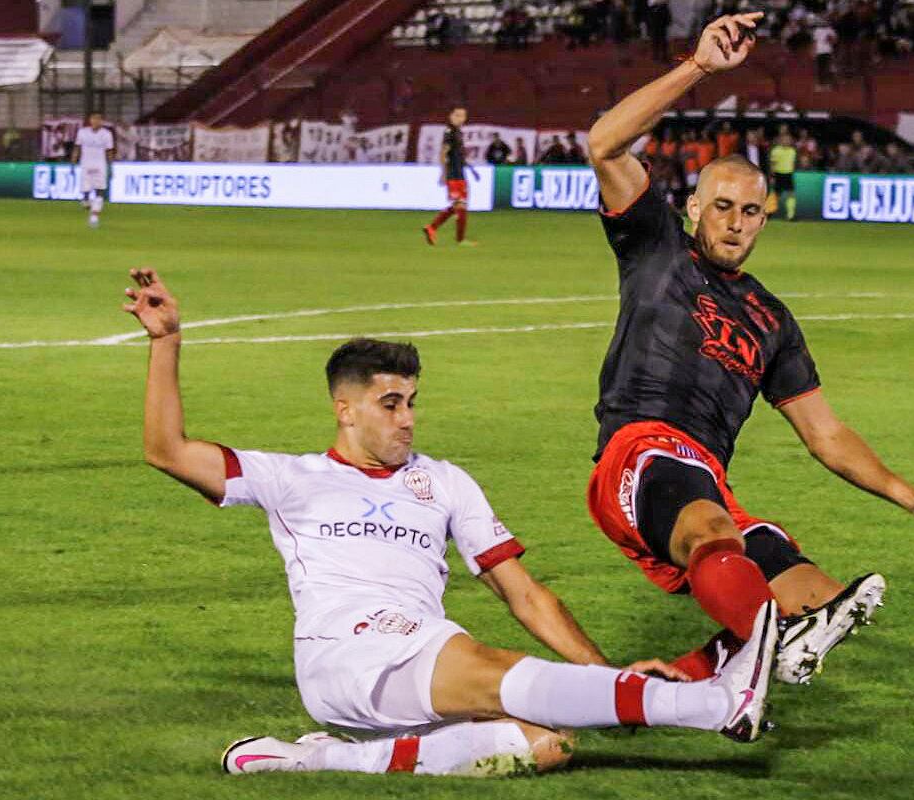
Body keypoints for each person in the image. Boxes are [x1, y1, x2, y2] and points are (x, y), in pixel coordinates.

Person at [119, 269, 782, 778]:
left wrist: (602, 672)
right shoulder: (292, 477)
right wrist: (167, 341)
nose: (406, 417)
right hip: (345, 652)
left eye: (411, 401)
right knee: (492, 666)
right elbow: (166, 451)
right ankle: (718, 706)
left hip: (417, 651)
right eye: (389, 403)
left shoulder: (443, 481)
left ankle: (314, 760)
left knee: (545, 744)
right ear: (344, 409)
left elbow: (523, 593)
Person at [585, 12, 914, 686]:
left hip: (703, 481)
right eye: (720, 206)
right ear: (692, 207)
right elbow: (603, 144)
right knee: (716, 535)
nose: (734, 223)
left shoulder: (769, 319)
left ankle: (680, 680)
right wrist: (698, 68)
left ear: (765, 217)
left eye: (749, 212)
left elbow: (825, 432)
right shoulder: (654, 246)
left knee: (821, 597)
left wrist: (904, 493)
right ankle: (762, 659)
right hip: (640, 453)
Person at [423, 107, 477, 246]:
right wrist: (443, 173)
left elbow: (458, 155)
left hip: (460, 173)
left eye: (462, 115)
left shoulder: (458, 132)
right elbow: (443, 153)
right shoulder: (450, 132)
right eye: (457, 115)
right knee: (460, 205)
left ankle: (432, 228)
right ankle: (459, 239)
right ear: (451, 116)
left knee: (459, 205)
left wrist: (472, 170)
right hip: (453, 174)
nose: (460, 118)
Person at [72, 111, 114, 229]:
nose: (95, 121)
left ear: (101, 121)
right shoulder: (82, 132)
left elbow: (109, 150)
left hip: (100, 165)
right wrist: (73, 161)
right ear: (90, 120)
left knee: (100, 190)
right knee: (85, 193)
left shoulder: (106, 134)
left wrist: (110, 166)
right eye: (93, 119)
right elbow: (77, 147)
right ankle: (85, 201)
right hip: (86, 164)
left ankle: (94, 217)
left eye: (98, 119)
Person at [769, 130, 798, 220]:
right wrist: (773, 176)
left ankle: (790, 215)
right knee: (776, 195)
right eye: (785, 139)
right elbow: (772, 164)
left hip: (788, 174)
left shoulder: (792, 151)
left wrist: (792, 171)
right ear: (781, 140)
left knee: (791, 194)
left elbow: (793, 164)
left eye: (788, 140)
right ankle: (768, 212)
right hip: (779, 174)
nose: (787, 141)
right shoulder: (776, 151)